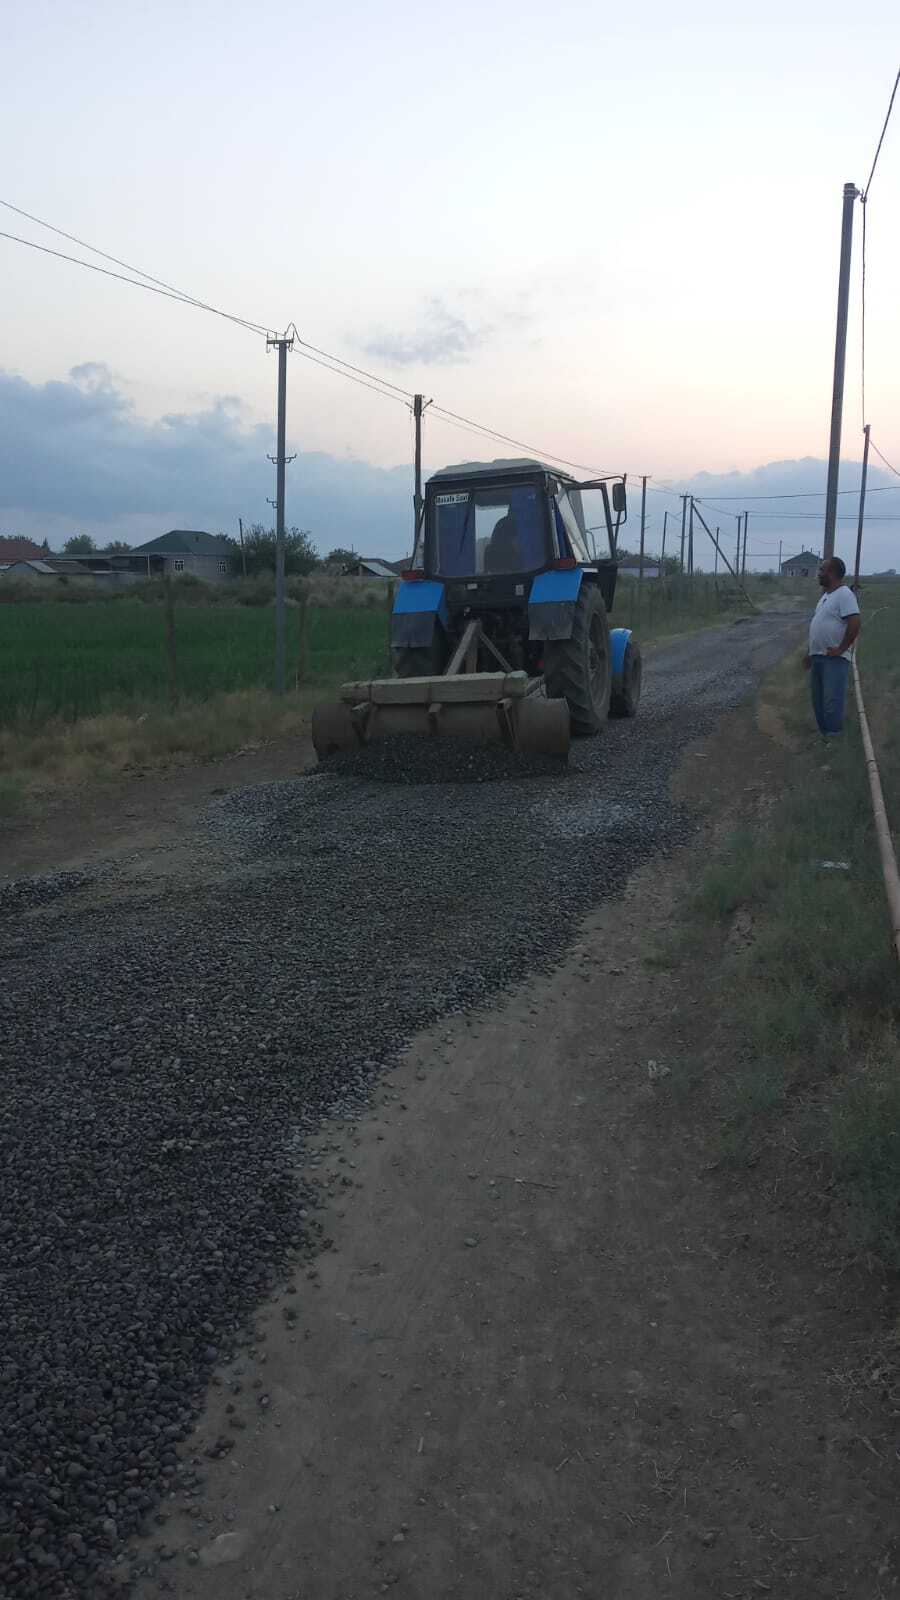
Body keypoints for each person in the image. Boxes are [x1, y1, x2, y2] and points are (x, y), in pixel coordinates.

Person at [804, 555, 860, 736]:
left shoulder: (845, 594)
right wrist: (809, 653)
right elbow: (818, 626)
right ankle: (825, 737)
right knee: (818, 700)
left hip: (834, 658)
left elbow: (854, 622)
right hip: (818, 656)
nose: (819, 573)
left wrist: (841, 649)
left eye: (822, 570)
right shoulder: (825, 597)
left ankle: (833, 737)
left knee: (831, 700)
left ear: (832, 573)